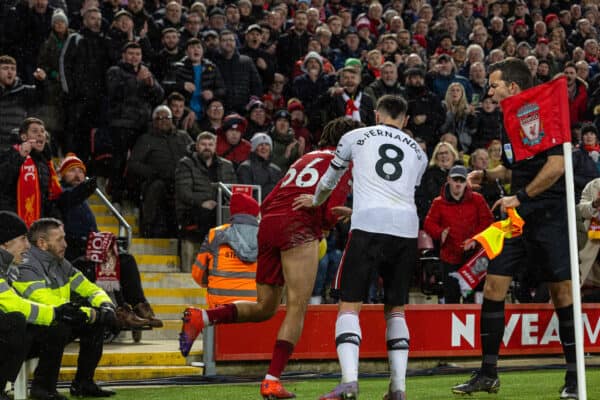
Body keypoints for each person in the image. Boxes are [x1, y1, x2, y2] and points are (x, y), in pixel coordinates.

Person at [179, 117, 361, 399]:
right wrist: (347, 216)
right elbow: (330, 208)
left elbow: (273, 197)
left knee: (265, 307)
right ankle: (272, 379)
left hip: (268, 222)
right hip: (298, 227)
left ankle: (201, 317)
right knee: (297, 308)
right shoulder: (341, 164)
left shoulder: (306, 158)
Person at [452, 57, 578, 399]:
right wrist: (491, 175)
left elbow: (556, 165)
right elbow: (512, 170)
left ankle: (574, 376)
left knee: (562, 293)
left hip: (549, 214)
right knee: (493, 285)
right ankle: (488, 374)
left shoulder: (544, 114)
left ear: (513, 87)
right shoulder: (508, 121)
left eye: (494, 84)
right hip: (518, 219)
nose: (489, 90)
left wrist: (519, 197)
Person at [299, 95, 428, 400]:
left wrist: (314, 201)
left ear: (375, 115)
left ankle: (349, 382)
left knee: (349, 305)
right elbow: (403, 190)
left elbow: (330, 180)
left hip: (369, 226)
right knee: (396, 309)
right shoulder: (419, 154)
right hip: (406, 230)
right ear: (406, 120)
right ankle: (398, 389)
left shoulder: (355, 136)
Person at [10, 218, 118, 398]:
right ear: (43, 243)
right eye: (59, 239)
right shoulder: (26, 264)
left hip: (53, 321)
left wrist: (106, 306)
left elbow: (88, 287)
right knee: (58, 326)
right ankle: (42, 389)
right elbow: (45, 302)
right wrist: (90, 314)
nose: (65, 244)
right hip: (26, 332)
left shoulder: (60, 262)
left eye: (64, 238)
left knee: (95, 323)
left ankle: (83, 384)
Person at [58, 153, 163, 329]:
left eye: (80, 171)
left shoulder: (83, 201)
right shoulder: (63, 196)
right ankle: (121, 310)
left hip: (89, 250)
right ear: (62, 175)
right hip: (73, 254)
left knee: (126, 259)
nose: (77, 175)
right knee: (107, 262)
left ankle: (139, 306)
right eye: (71, 171)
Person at [0, 211, 87, 400]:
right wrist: (56, 313)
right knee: (14, 321)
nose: (27, 245)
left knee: (55, 329)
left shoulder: (8, 267)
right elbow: (15, 306)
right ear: (6, 242)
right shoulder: (13, 268)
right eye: (23, 239)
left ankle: (43, 389)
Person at [423, 165, 493, 303]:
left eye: (461, 180)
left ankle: (473, 324)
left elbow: (488, 221)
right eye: (455, 180)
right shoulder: (438, 202)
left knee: (472, 299)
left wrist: (475, 239)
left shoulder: (477, 199)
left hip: (473, 259)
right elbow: (428, 224)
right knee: (451, 298)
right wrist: (440, 232)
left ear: (466, 181)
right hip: (450, 258)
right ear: (449, 180)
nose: (458, 184)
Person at [128, 105, 193, 238]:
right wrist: (153, 172)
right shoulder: (146, 139)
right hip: (156, 180)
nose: (163, 121)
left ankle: (185, 230)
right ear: (153, 122)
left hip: (182, 180)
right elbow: (134, 163)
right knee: (157, 187)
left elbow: (194, 155)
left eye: (166, 117)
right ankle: (149, 227)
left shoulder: (183, 136)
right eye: (159, 118)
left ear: (172, 120)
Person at [191, 192, 260, 308]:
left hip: (220, 308)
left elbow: (197, 274)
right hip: (256, 308)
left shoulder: (215, 234)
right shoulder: (266, 236)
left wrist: (213, 282)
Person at [175, 131, 237, 242]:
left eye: (210, 144)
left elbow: (232, 190)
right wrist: (202, 202)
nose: (207, 147)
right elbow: (184, 192)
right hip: (193, 209)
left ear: (215, 147)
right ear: (197, 146)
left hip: (220, 208)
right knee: (207, 215)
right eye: (203, 144)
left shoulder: (226, 165)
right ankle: (208, 252)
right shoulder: (186, 164)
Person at [237, 133, 283, 200]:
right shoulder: (245, 167)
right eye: (260, 145)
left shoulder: (276, 170)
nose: (264, 148)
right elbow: (246, 195)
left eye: (267, 145)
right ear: (254, 148)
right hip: (255, 207)